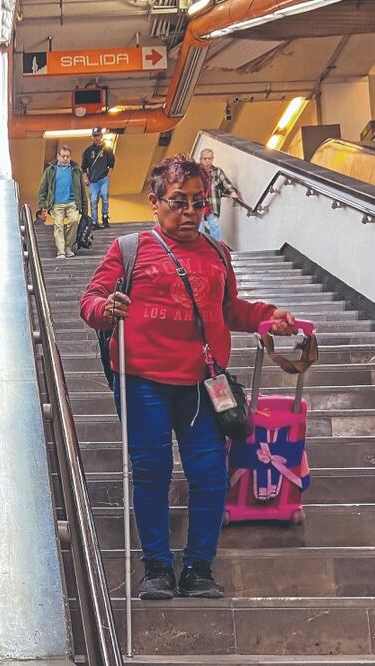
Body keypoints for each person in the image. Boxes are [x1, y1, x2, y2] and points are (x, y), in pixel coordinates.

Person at [79, 153, 297, 600]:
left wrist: (266, 316)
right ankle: (157, 568)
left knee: (210, 474)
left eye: (199, 203)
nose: (191, 212)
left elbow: (229, 309)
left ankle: (199, 568)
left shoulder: (217, 253)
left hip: (203, 384)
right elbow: (91, 300)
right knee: (151, 473)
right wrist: (107, 309)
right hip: (142, 382)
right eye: (179, 202)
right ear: (155, 202)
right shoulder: (129, 249)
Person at [37, 145, 87, 260]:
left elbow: (82, 190)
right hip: (56, 204)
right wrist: (42, 204)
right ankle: (61, 251)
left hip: (72, 203)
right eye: (63, 156)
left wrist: (85, 208)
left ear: (70, 157)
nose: (65, 159)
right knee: (58, 226)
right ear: (58, 156)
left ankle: (68, 247)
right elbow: (43, 188)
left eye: (67, 156)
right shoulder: (50, 170)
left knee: (74, 221)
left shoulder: (76, 170)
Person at [198, 148, 242, 241]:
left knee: (215, 227)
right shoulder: (196, 171)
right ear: (200, 159)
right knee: (200, 228)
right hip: (198, 205)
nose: (208, 161)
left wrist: (232, 192)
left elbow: (226, 183)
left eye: (210, 158)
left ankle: (217, 246)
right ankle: (202, 245)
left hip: (212, 205)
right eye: (205, 158)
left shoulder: (217, 171)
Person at [82, 128, 116, 228]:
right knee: (93, 201)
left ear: (101, 136)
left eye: (98, 135)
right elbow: (84, 167)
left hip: (103, 178)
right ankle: (94, 221)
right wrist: (85, 178)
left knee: (105, 196)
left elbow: (111, 163)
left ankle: (105, 216)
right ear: (92, 137)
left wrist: (109, 175)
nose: (96, 138)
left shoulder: (107, 149)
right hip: (92, 180)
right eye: (94, 136)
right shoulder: (87, 151)